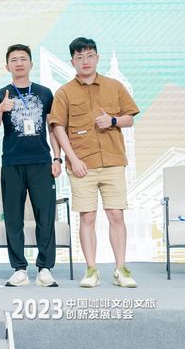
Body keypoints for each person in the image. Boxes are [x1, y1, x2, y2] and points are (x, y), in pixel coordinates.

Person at [49, 37, 139, 288]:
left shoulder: (114, 86)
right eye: (79, 57)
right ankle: (91, 270)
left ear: (97, 58)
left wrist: (112, 120)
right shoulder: (64, 92)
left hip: (113, 161)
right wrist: (72, 159)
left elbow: (129, 118)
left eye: (89, 56)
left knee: (116, 215)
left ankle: (121, 269)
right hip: (82, 165)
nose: (85, 61)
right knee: (87, 217)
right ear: (72, 62)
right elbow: (58, 127)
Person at [0, 44, 62, 287]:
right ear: (7, 66)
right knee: (13, 217)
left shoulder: (45, 93)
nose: (19, 63)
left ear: (31, 64)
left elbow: (53, 128)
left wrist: (57, 158)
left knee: (45, 216)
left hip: (41, 162)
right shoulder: (0, 94)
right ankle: (19, 268)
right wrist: (0, 109)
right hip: (12, 163)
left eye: (23, 59)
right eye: (14, 59)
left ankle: (45, 268)